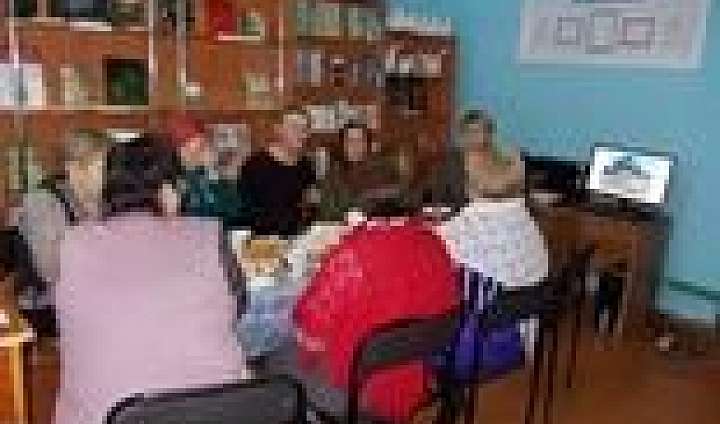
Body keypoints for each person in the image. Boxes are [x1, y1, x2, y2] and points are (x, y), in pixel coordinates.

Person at [53, 135, 249, 424]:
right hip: (212, 412)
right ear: (168, 190)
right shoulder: (209, 233)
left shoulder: (72, 244)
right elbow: (240, 304)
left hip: (102, 416)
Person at [268, 202, 461, 422]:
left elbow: (310, 331)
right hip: (417, 366)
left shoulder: (352, 255)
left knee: (270, 356)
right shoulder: (433, 241)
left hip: (360, 383)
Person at [13, 130, 109, 335]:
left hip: (90, 305)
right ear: (74, 168)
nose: (112, 175)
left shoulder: (103, 203)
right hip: (44, 313)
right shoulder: (42, 202)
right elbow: (52, 271)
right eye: (103, 167)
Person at [239, 108, 315, 238]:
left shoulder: (305, 165)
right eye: (294, 127)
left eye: (304, 129)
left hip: (299, 239)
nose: (301, 134)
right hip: (264, 241)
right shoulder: (255, 165)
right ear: (278, 129)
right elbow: (246, 214)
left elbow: (308, 206)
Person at [315, 121, 409, 222]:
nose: (355, 145)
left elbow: (401, 199)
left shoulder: (383, 168)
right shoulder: (332, 176)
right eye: (350, 140)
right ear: (343, 145)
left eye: (359, 140)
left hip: (379, 225)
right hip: (345, 227)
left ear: (367, 144)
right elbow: (326, 213)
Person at [169, 114, 248, 229]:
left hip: (221, 226)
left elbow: (233, 208)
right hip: (194, 229)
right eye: (182, 145)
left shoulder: (220, 168)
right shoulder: (176, 173)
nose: (187, 149)